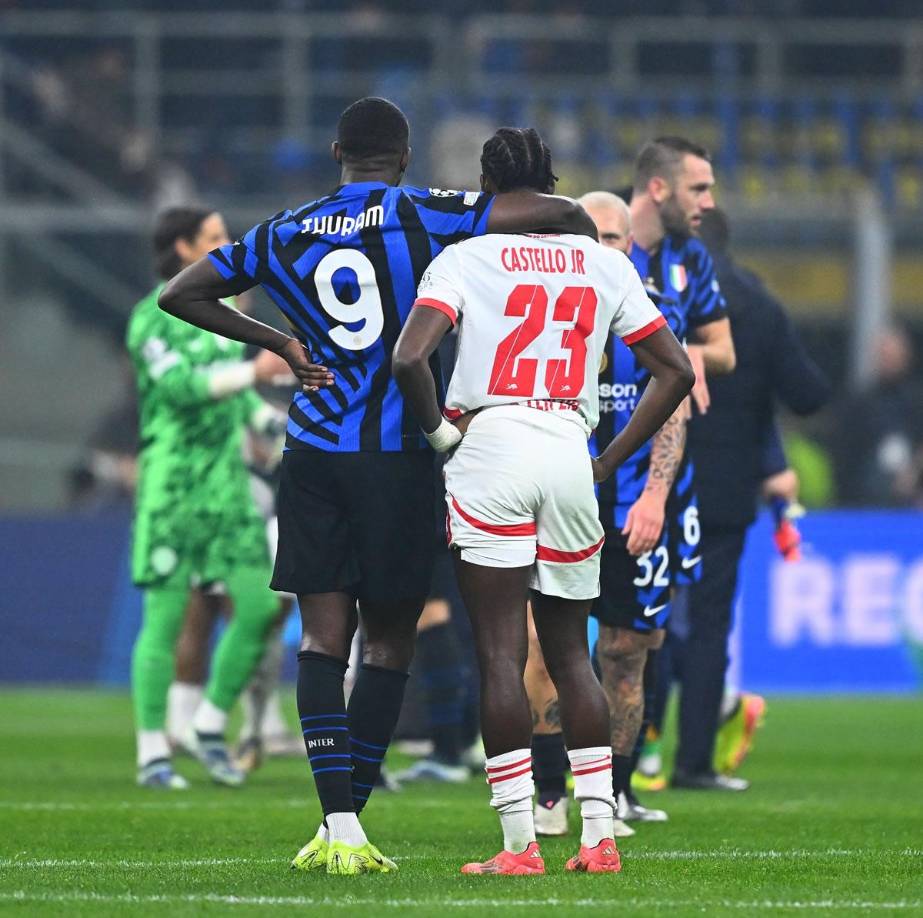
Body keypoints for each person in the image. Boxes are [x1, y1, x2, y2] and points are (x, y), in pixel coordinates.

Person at [158, 97, 598, 875]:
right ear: (401, 158)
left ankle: (338, 824)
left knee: (323, 639)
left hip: (315, 451)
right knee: (390, 641)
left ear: (335, 151)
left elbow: (180, 294)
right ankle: (351, 820)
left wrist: (283, 344)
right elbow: (550, 211)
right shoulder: (427, 212)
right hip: (397, 454)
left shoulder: (283, 229)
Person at [392, 126, 694, 875]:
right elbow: (675, 370)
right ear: (552, 180)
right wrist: (608, 460)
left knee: (500, 653)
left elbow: (408, 357)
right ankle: (597, 837)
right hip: (567, 445)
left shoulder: (460, 257)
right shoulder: (601, 262)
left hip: (489, 444)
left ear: (488, 187)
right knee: (570, 653)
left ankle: (519, 845)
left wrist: (438, 437)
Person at [524, 136, 737, 830]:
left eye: (616, 237)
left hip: (637, 508)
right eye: (595, 237)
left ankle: (612, 792)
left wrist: (651, 496)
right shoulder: (545, 316)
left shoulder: (648, 314)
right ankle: (550, 793)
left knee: (626, 655)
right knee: (542, 646)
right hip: (556, 501)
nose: (609, 250)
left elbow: (673, 403)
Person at [127, 206, 292, 790]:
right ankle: (153, 753)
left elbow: (233, 399)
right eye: (215, 238)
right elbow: (181, 388)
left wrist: (277, 430)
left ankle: (208, 723)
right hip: (173, 489)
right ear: (181, 248)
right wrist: (253, 375)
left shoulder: (222, 314)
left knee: (257, 609)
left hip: (227, 490)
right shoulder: (151, 319)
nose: (227, 246)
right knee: (165, 620)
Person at [665, 206, 830, 790]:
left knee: (642, 617)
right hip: (726, 489)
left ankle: (624, 767)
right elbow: (808, 393)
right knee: (710, 623)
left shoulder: (653, 291)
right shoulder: (758, 305)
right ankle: (694, 762)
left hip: (652, 481)